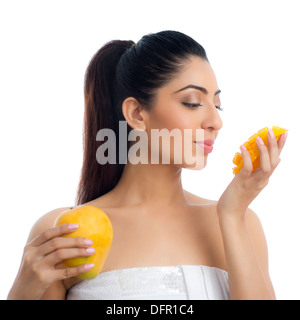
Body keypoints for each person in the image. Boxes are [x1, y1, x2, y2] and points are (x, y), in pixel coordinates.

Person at [7, 30, 287, 300]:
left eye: (217, 105)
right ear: (137, 113)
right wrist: (21, 293)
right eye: (192, 102)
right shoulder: (64, 231)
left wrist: (232, 214)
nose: (216, 121)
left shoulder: (242, 223)